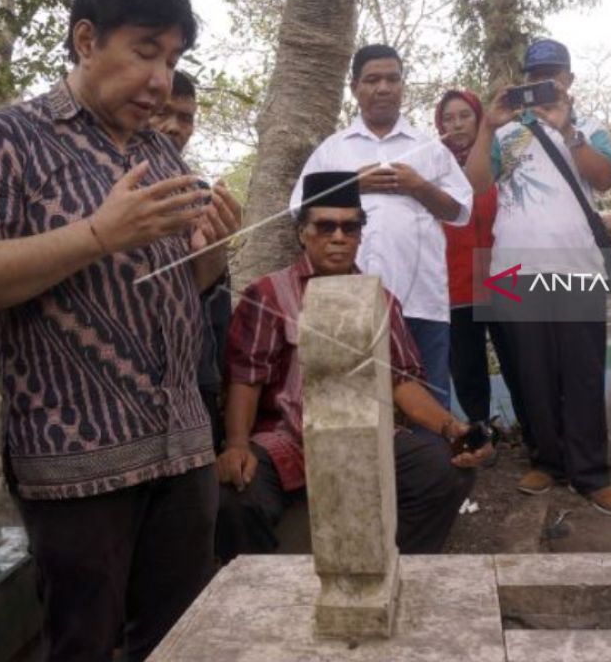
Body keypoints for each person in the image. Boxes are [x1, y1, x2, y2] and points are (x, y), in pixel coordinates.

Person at [0, 0, 242, 661]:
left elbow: (182, 288)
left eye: (173, 59)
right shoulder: (6, 138)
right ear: (85, 40)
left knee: (179, 640)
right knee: (82, 644)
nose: (161, 80)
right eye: (145, 51)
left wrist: (214, 250)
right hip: (76, 461)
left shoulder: (164, 155)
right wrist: (98, 233)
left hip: (182, 443)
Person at [216, 171, 490, 561]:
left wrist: (452, 429)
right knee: (233, 498)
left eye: (350, 227)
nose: (339, 237)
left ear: (361, 234)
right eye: (325, 226)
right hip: (287, 440)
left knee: (446, 471)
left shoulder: (381, 299)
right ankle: (274, 594)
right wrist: (237, 445)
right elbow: (246, 376)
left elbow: (402, 382)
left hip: (370, 435)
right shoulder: (269, 294)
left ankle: (391, 567)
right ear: (302, 232)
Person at [465, 38, 611, 517]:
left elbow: (604, 179)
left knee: (581, 371)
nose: (548, 83)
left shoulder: (590, 128)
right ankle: (547, 461)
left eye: (555, 73)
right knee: (531, 373)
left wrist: (569, 130)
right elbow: (477, 185)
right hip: (515, 270)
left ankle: (592, 474)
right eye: (538, 75)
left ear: (570, 79)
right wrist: (486, 126)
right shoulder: (504, 134)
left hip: (577, 267)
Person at [290, 45, 473, 410]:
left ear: (402, 85)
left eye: (392, 79)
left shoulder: (429, 148)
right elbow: (297, 209)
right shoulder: (333, 149)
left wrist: (418, 186)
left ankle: (438, 466)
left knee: (431, 399)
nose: (384, 88)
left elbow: (459, 211)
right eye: (373, 80)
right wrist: (351, 184)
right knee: (354, 402)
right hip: (349, 298)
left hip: (421, 301)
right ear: (355, 86)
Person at [436, 89, 516, 446]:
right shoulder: (434, 166)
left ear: (479, 118)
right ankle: (480, 431)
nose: (456, 124)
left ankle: (534, 427)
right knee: (467, 364)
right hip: (455, 276)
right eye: (448, 118)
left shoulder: (502, 157)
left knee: (517, 357)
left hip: (501, 274)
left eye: (464, 115)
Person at [156, 69, 231, 449]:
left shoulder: (204, 198)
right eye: (162, 113)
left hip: (197, 377)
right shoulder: (107, 193)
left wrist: (214, 252)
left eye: (185, 118)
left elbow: (217, 305)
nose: (174, 127)